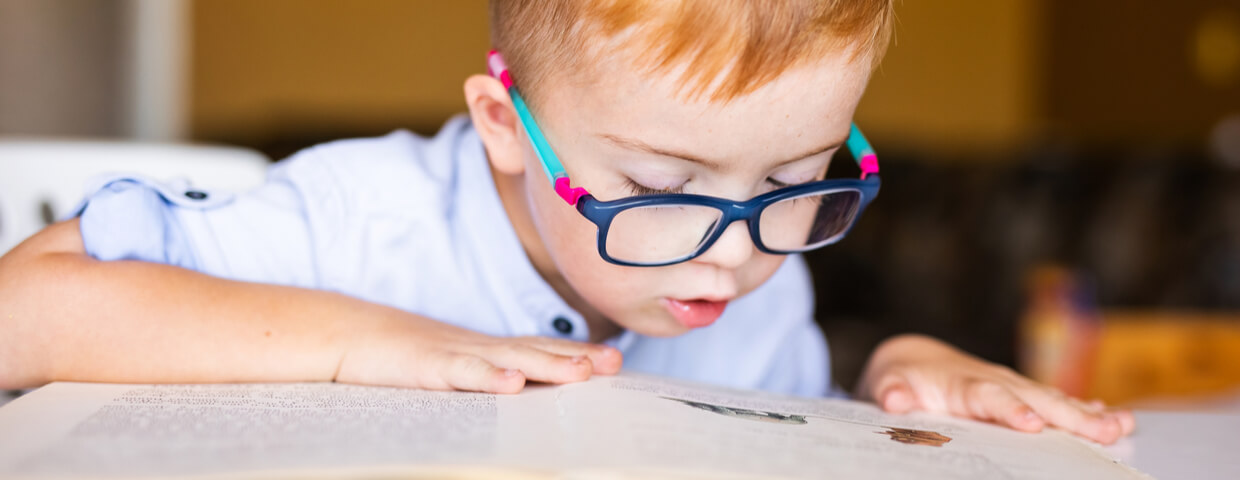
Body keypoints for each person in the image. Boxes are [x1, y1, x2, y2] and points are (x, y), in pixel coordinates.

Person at [0, 0, 1133, 444]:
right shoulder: (359, 218)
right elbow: (24, 311)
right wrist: (362, 341)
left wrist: (896, 371)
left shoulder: (750, 271)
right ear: (505, 127)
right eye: (656, 187)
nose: (737, 252)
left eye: (799, 175)